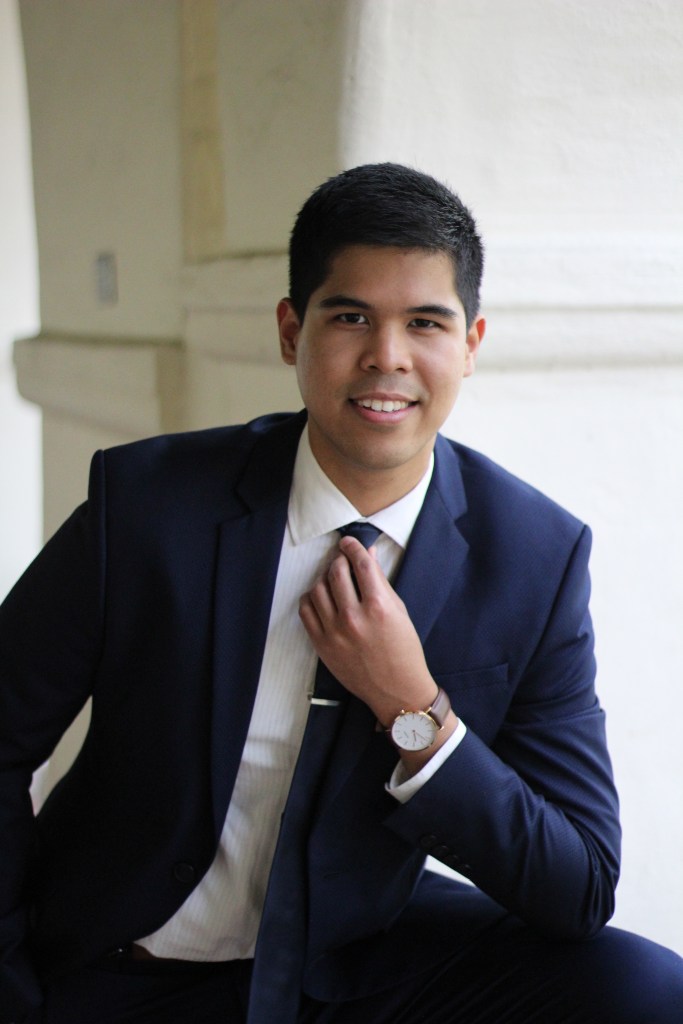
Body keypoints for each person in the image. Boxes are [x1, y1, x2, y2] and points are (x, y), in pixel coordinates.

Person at [1, 163, 682, 1024]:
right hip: (133, 965)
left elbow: (577, 884)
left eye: (424, 323)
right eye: (350, 316)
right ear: (292, 331)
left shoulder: (533, 558)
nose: (386, 357)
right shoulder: (145, 508)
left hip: (352, 966)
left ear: (469, 344)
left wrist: (413, 709)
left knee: (643, 993)